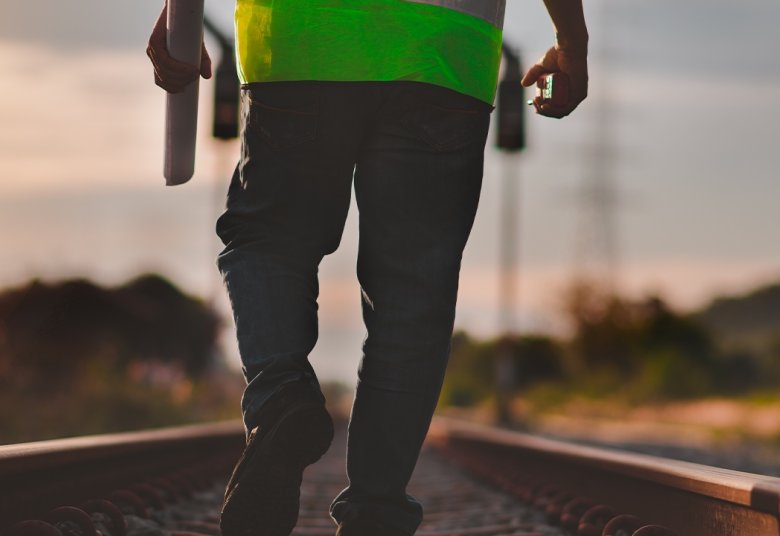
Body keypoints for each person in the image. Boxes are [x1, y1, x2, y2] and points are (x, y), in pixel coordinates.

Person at [147, 1, 588, 534]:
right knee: (412, 293)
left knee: (269, 240)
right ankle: (376, 513)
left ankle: (281, 393)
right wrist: (571, 41)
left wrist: (181, 14)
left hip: (300, 38)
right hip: (443, 54)